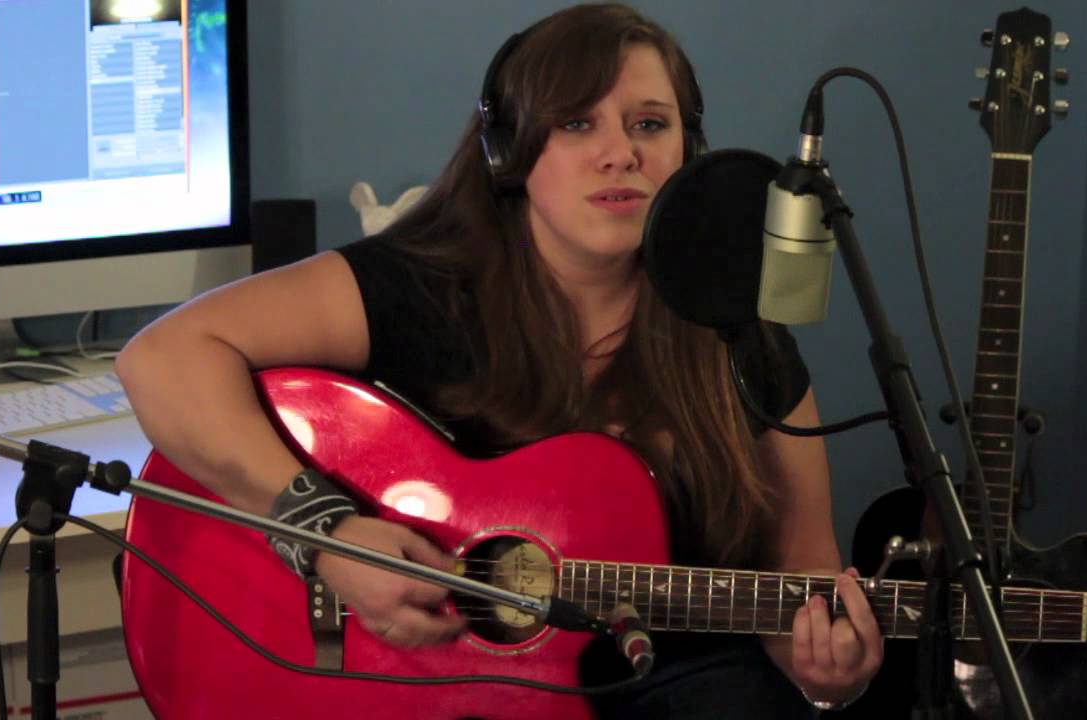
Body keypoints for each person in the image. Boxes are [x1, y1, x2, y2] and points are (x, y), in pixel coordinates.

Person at [116, 3, 882, 717]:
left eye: (650, 124)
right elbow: (163, 358)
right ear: (508, 150)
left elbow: (804, 583)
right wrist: (328, 537)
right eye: (577, 123)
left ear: (690, 150)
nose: (621, 154)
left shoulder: (737, 337)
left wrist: (828, 671)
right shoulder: (420, 288)